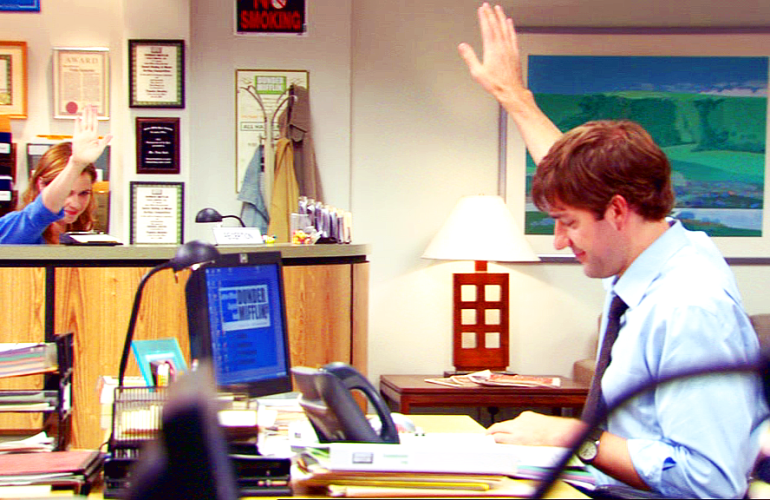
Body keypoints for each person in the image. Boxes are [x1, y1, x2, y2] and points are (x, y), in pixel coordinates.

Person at [459, 3, 769, 498]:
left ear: (618, 211)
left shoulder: (689, 308)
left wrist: (575, 438)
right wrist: (514, 97)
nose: (560, 240)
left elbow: (712, 482)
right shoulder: (656, 251)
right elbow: (578, 179)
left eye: (569, 223)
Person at [0, 105, 111, 244]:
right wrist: (76, 164)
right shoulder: (17, 227)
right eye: (67, 193)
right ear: (41, 184)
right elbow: (41, 213)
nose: (75, 204)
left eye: (84, 193)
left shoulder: (82, 237)